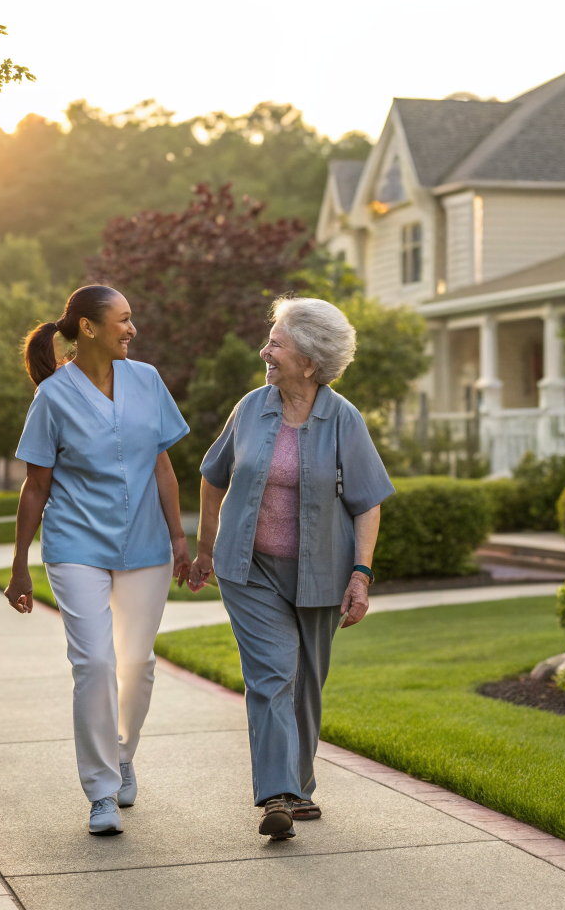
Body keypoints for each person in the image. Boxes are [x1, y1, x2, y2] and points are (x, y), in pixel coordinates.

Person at [186, 296, 393, 841]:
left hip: (321, 572)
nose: (265, 351)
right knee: (274, 673)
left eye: (276, 343)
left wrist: (361, 574)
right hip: (247, 567)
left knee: (307, 684)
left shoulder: (342, 418)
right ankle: (276, 794)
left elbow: (368, 500)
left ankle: (297, 789)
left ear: (311, 359)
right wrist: (205, 549)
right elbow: (213, 474)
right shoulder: (252, 407)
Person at [5, 284, 191, 836]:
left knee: (137, 661)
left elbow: (162, 467)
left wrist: (180, 541)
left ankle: (123, 754)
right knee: (95, 663)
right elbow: (36, 486)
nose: (132, 329)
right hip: (77, 545)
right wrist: (19, 564)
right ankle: (102, 792)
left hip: (146, 545)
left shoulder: (147, 380)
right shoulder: (53, 397)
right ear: (88, 327)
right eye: (124, 320)